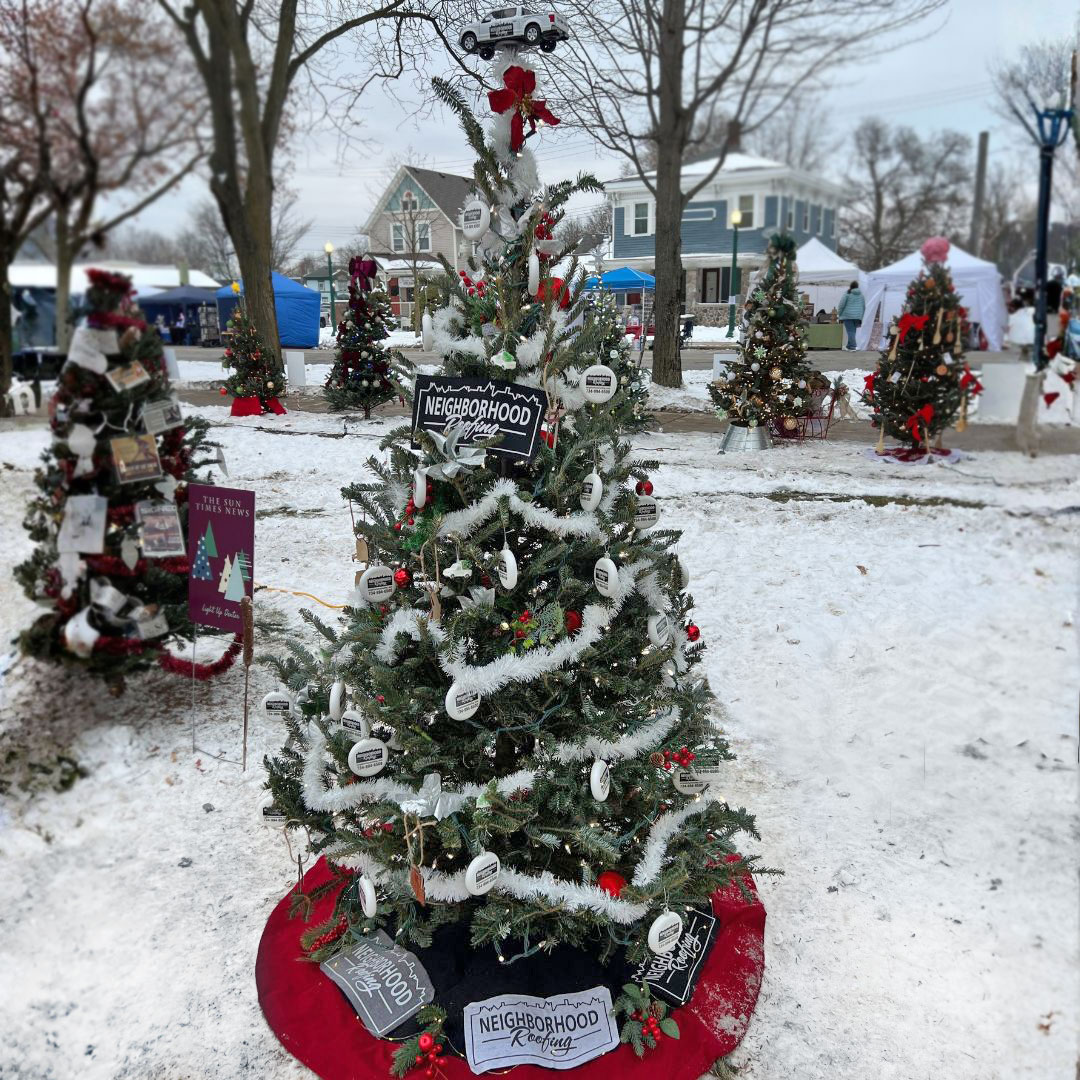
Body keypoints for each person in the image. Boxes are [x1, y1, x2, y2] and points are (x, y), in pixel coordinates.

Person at [836, 281, 865, 351]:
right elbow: (863, 306)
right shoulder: (861, 295)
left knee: (850, 331)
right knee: (852, 331)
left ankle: (853, 346)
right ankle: (848, 346)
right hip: (857, 316)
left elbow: (841, 304)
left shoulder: (847, 293)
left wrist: (839, 313)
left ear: (851, 286)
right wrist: (861, 316)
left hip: (847, 315)